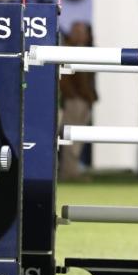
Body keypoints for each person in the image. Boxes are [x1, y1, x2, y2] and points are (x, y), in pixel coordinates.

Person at [58, 22, 96, 181]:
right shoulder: (68, 50)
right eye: (76, 31)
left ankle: (71, 171)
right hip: (73, 101)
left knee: (77, 140)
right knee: (70, 139)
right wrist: (73, 96)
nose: (79, 34)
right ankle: (69, 173)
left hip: (83, 100)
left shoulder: (88, 51)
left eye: (81, 31)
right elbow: (64, 79)